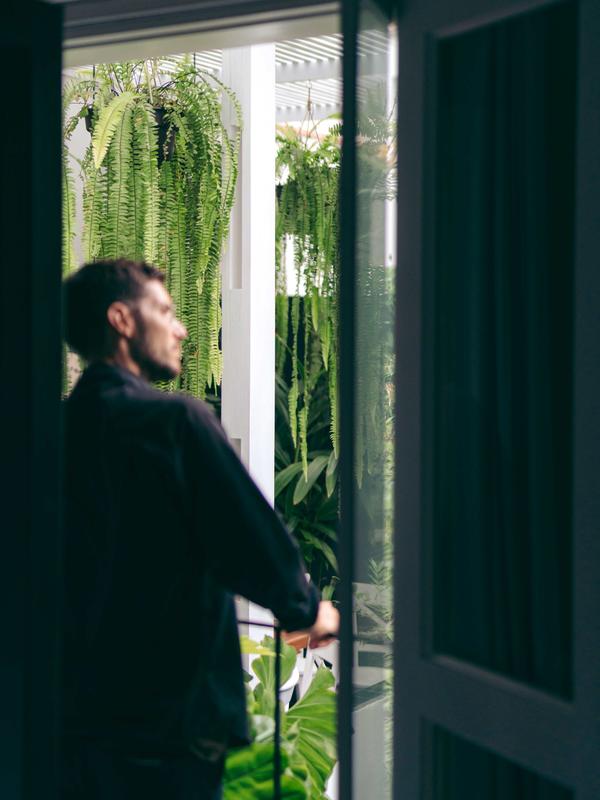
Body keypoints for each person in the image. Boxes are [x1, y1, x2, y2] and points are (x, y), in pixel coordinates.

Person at [61, 259, 339, 800]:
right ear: (122, 319)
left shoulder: (50, 430)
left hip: (71, 715)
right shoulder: (174, 424)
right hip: (169, 723)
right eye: (165, 311)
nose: (183, 329)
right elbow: (249, 539)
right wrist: (308, 609)